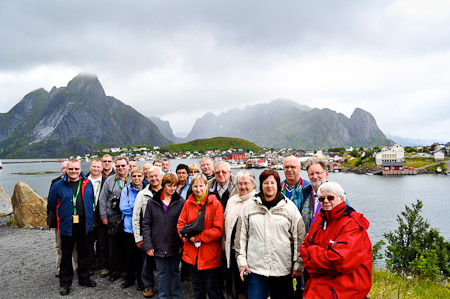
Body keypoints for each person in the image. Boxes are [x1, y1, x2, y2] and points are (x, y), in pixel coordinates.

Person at [235, 169, 306, 299]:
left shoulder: (289, 207)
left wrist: (298, 264)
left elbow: (299, 237)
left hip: (283, 269)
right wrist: (242, 262)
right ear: (261, 185)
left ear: (278, 185)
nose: (269, 186)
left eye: (272, 183)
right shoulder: (249, 207)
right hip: (256, 269)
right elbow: (241, 237)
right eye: (266, 182)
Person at [300, 182, 372, 298]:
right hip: (319, 284)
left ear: (341, 198)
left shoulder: (351, 224)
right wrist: (320, 261)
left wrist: (313, 251)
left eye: (330, 197)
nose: (326, 201)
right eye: (322, 199)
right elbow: (303, 250)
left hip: (344, 289)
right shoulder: (320, 220)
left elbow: (339, 262)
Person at [48, 159, 96, 296]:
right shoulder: (57, 185)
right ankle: (65, 283)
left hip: (84, 223)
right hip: (67, 224)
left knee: (84, 252)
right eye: (71, 169)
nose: (74, 171)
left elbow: (91, 201)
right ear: (66, 170)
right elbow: (52, 205)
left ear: (80, 169)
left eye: (76, 169)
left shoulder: (88, 184)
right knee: (66, 255)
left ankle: (84, 278)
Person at [177, 174, 224, 299]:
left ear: (206, 186)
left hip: (210, 255)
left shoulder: (215, 204)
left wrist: (196, 238)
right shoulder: (187, 203)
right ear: (191, 187)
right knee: (197, 288)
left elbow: (218, 230)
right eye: (195, 186)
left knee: (212, 289)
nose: (198, 189)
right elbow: (180, 224)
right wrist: (186, 238)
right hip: (192, 255)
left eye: (201, 186)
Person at [142, 173, 185, 299]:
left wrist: (181, 244)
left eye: (174, 186)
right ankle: (164, 296)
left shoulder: (180, 202)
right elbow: (146, 224)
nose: (172, 188)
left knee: (174, 272)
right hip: (158, 244)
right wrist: (148, 245)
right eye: (169, 185)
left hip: (174, 244)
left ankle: (176, 296)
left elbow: (184, 225)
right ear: (163, 185)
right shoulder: (152, 202)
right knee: (162, 273)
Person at [223, 171, 256, 299]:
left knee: (248, 287)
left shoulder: (256, 201)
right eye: (240, 183)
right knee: (235, 287)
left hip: (250, 256)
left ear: (253, 185)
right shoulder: (232, 201)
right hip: (232, 252)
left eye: (246, 183)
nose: (242, 187)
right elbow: (226, 226)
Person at [99, 157, 130, 282]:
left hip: (128, 219)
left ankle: (128, 272)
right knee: (113, 247)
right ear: (114, 167)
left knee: (128, 246)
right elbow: (102, 199)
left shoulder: (134, 179)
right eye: (118, 166)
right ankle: (115, 271)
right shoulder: (109, 181)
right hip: (113, 218)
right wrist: (103, 216)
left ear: (128, 166)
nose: (120, 168)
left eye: (123, 165)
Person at [133, 166, 162, 298]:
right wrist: (138, 238)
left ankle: (163, 286)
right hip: (147, 235)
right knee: (146, 263)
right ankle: (148, 286)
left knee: (163, 263)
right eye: (151, 176)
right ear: (147, 178)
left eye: (157, 176)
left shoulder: (168, 193)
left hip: (163, 235)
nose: (154, 178)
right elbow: (136, 217)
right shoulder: (142, 194)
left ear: (161, 176)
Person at [47, 160, 78, 278]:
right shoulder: (56, 183)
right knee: (60, 246)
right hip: (60, 221)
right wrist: (50, 219)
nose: (67, 170)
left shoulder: (79, 182)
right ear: (62, 170)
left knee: (76, 246)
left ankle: (77, 266)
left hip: (75, 221)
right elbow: (51, 204)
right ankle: (61, 268)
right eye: (65, 168)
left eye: (68, 168)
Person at [119, 167, 147, 290]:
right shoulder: (126, 190)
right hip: (129, 228)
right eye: (134, 176)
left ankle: (142, 281)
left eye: (139, 176)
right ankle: (130, 279)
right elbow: (123, 207)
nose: (136, 178)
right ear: (131, 177)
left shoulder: (147, 189)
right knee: (128, 256)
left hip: (143, 228)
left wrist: (134, 208)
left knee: (141, 257)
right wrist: (138, 209)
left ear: (143, 177)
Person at [86, 158, 109, 276]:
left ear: (102, 168)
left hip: (101, 217)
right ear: (90, 167)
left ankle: (104, 266)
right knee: (88, 244)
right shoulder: (83, 180)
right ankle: (90, 266)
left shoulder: (107, 181)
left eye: (98, 167)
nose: (96, 169)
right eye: (94, 166)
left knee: (102, 243)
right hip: (87, 218)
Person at [294, 158, 329, 232]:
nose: (315, 177)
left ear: (326, 174)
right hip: (305, 242)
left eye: (318, 173)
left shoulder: (337, 195)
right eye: (311, 174)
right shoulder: (301, 195)